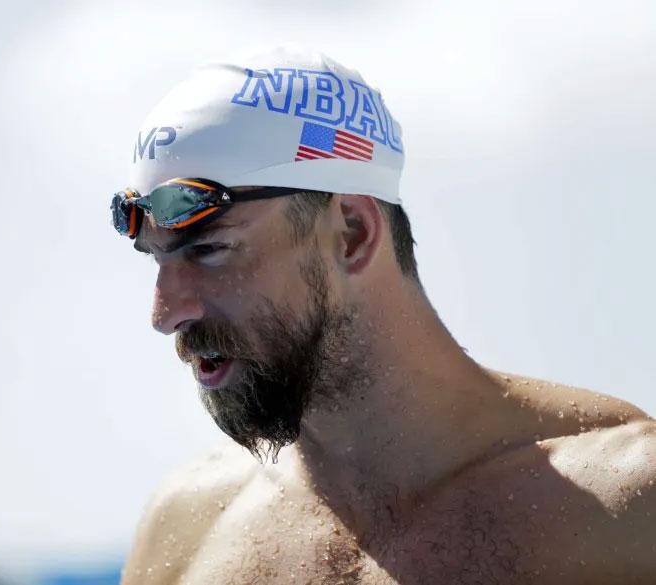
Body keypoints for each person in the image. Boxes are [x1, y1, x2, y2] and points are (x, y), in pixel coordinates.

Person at [110, 46, 656, 584]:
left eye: (208, 250)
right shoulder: (185, 527)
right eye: (158, 259)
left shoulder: (626, 506)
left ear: (352, 234)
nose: (164, 313)